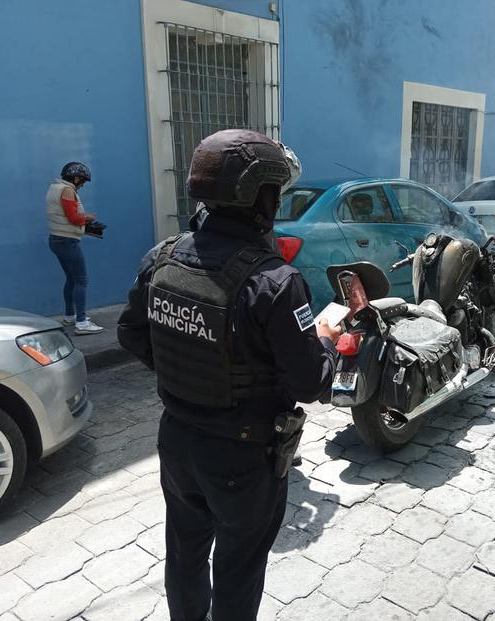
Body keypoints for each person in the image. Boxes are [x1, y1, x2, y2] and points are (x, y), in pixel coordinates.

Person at [117, 130, 341, 621]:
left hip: (176, 439)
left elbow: (131, 333)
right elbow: (309, 384)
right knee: (238, 570)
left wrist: (187, 373)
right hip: (243, 456)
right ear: (259, 195)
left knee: (185, 553)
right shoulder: (275, 282)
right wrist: (330, 341)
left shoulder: (163, 257)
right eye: (275, 191)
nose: (277, 200)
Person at [45, 162, 104, 335]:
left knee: (71, 278)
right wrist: (88, 218)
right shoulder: (67, 190)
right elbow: (73, 218)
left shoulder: (54, 188)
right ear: (75, 177)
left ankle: (70, 315)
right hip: (67, 241)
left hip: (57, 239)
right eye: (83, 180)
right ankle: (82, 322)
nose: (83, 184)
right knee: (81, 280)